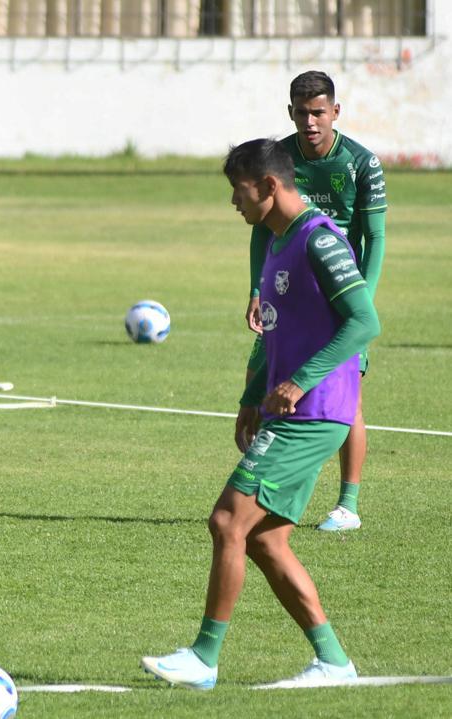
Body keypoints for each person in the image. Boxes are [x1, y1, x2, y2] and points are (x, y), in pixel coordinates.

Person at [142, 139, 380, 689]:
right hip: (285, 409)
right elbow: (276, 326)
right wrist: (253, 394)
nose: (233, 202)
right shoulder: (277, 241)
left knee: (227, 520)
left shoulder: (320, 240)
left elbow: (364, 321)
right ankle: (334, 662)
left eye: (239, 190)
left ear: (270, 187)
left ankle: (204, 658)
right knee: (264, 539)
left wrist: (299, 382)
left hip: (316, 411)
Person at [243, 71, 387, 532]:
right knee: (260, 372)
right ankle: (268, 484)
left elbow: (375, 236)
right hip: (288, 289)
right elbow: (262, 228)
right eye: (302, 112)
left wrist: (361, 297)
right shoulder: (279, 159)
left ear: (335, 112)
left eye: (319, 112)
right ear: (290, 112)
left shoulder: (362, 163)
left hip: (341, 290)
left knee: (349, 397)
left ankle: (348, 503)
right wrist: (254, 290)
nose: (310, 121)